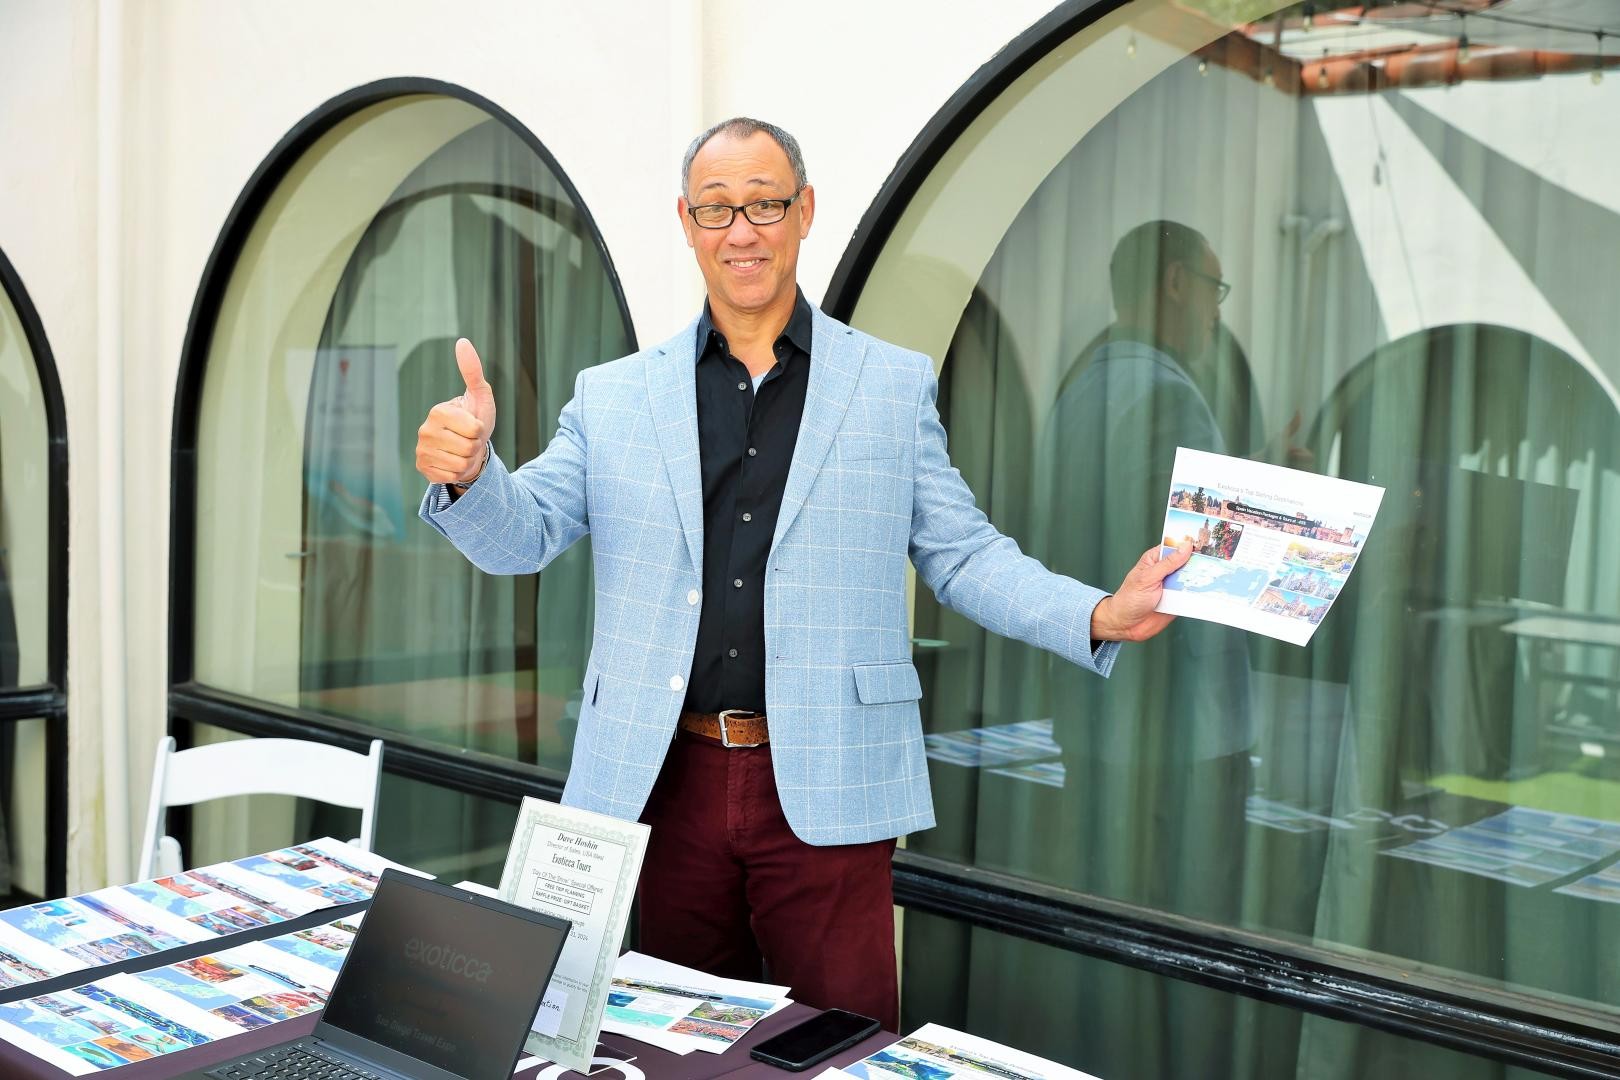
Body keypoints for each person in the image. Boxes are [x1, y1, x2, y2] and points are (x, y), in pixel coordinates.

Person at [414, 119, 1189, 1031]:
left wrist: (1098, 613)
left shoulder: (888, 386)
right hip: (662, 779)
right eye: (716, 209)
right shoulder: (615, 396)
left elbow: (964, 555)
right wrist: (470, 475)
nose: (741, 230)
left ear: (805, 211)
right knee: (672, 1039)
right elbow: (525, 535)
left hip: (831, 773)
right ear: (687, 223)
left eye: (765, 204)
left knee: (839, 1044)